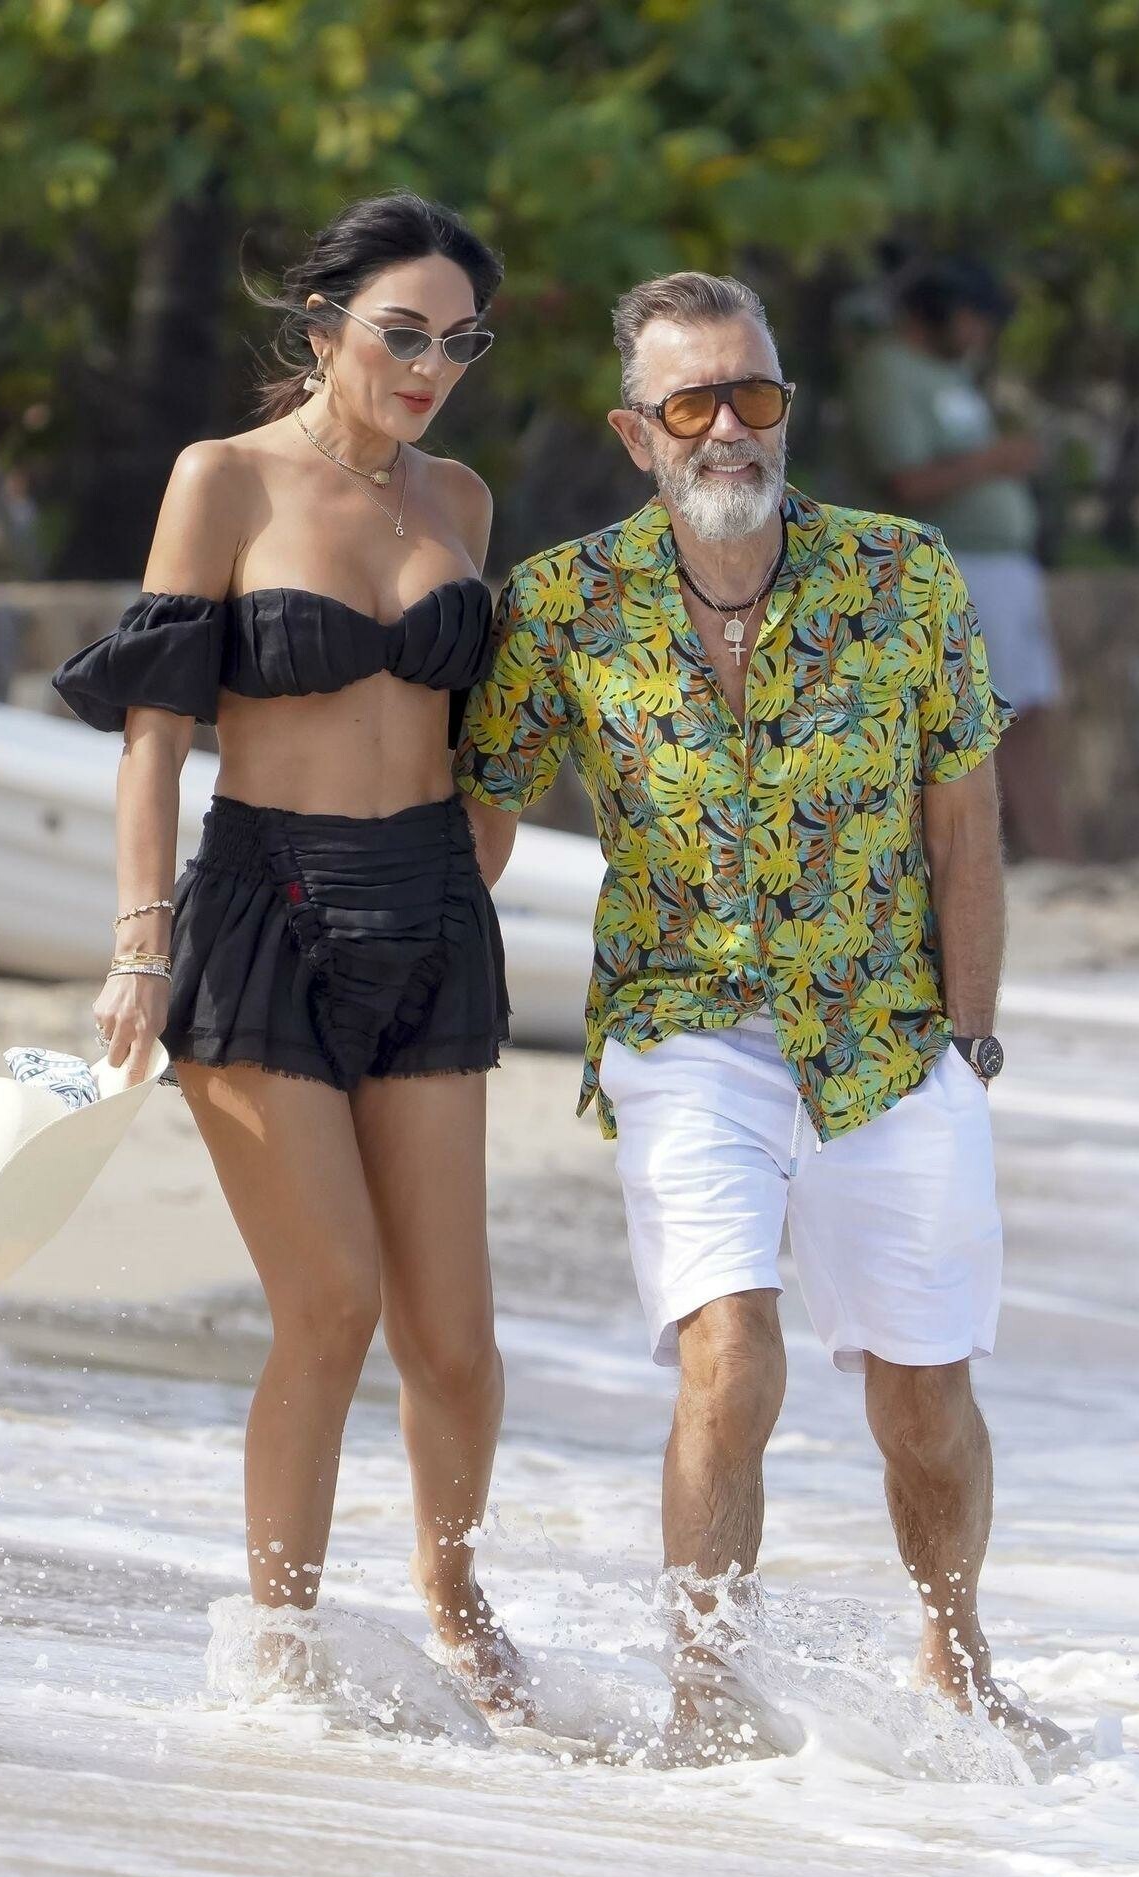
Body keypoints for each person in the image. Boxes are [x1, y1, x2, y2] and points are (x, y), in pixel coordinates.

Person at [454, 269, 1067, 1760]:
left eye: (754, 394)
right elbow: (475, 826)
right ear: (634, 434)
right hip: (680, 1034)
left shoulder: (904, 575)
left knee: (923, 1403)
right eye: (691, 405)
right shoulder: (562, 605)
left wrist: (969, 1047)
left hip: (891, 1037)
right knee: (728, 1360)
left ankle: (954, 1651)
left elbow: (965, 830)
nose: (728, 427)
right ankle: (706, 1700)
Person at [50, 191, 527, 1719]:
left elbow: (485, 731)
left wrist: (484, 846)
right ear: (323, 329)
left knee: (456, 1345)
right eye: (403, 334)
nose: (431, 368)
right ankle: (280, 1649)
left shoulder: (462, 499)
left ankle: (456, 1609)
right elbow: (153, 737)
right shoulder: (226, 479)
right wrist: (140, 946)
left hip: (433, 923)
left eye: (460, 344)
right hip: (268, 915)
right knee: (331, 1306)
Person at [847, 255, 1075, 861]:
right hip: (953, 567)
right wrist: (998, 460)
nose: (982, 332)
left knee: (1029, 712)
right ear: (940, 311)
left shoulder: (951, 374)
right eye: (974, 316)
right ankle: (998, 861)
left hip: (1005, 569)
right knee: (982, 720)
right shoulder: (886, 371)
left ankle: (1053, 857)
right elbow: (905, 480)